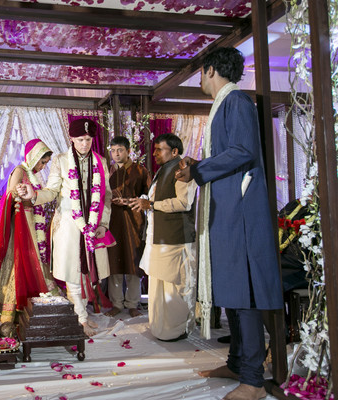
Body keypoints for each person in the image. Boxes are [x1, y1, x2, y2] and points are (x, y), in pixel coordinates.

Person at [175, 47, 283, 400]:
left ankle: (253, 381)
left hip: (240, 214)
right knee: (232, 292)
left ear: (209, 71)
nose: (199, 81)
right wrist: (199, 166)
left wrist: (198, 170)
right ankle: (237, 363)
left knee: (245, 295)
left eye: (200, 75)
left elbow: (243, 151)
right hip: (227, 212)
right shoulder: (225, 103)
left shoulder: (236, 102)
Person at [18, 119, 113, 337]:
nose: (84, 144)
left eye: (88, 139)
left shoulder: (100, 162)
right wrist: (32, 194)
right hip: (69, 223)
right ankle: (81, 318)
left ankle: (82, 314)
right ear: (71, 138)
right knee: (72, 271)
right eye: (80, 139)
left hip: (93, 223)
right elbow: (51, 192)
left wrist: (104, 224)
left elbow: (106, 196)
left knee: (89, 271)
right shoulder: (60, 160)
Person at [0, 139, 60, 322]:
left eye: (46, 163)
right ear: (33, 157)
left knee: (33, 261)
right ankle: (12, 310)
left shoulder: (31, 174)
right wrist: (20, 193)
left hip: (30, 223)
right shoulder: (20, 170)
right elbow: (11, 193)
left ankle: (32, 306)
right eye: (42, 162)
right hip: (19, 224)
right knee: (18, 262)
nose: (42, 166)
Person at [132, 133, 197, 341]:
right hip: (159, 236)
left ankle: (176, 329)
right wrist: (144, 202)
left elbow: (183, 203)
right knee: (158, 283)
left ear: (175, 151)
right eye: (155, 149)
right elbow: (156, 198)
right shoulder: (164, 169)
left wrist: (151, 205)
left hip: (176, 238)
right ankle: (160, 328)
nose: (155, 153)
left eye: (160, 149)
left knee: (174, 285)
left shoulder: (181, 169)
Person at [105, 136, 150, 318]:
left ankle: (132, 303)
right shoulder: (107, 171)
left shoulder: (140, 171)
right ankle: (116, 304)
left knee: (133, 262)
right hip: (112, 222)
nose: (116, 154)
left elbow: (149, 196)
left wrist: (132, 201)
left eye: (120, 150)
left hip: (134, 222)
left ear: (128, 151)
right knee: (114, 262)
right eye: (113, 151)